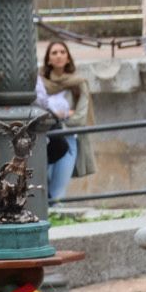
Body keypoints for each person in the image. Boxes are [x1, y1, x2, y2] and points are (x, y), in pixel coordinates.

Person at [41, 40, 94, 202]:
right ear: (48, 59)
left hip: (68, 139)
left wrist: (56, 118)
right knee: (41, 187)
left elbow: (80, 118)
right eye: (54, 53)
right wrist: (63, 114)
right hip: (43, 140)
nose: (59, 56)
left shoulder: (78, 83)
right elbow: (37, 112)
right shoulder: (40, 84)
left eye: (62, 52)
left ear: (68, 58)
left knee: (57, 190)